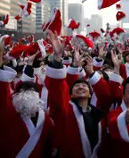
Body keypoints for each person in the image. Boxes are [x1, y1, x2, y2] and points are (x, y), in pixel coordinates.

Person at [0, 35, 54, 158]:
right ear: (16, 96)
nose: (27, 94)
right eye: (23, 91)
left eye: (31, 91)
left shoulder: (46, 120)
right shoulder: (7, 113)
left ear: (38, 96)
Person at [45, 30, 105, 158]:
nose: (81, 87)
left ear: (90, 94)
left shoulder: (98, 115)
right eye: (77, 86)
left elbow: (105, 94)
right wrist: (57, 57)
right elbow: (58, 88)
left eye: (84, 85)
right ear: (70, 95)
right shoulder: (65, 110)